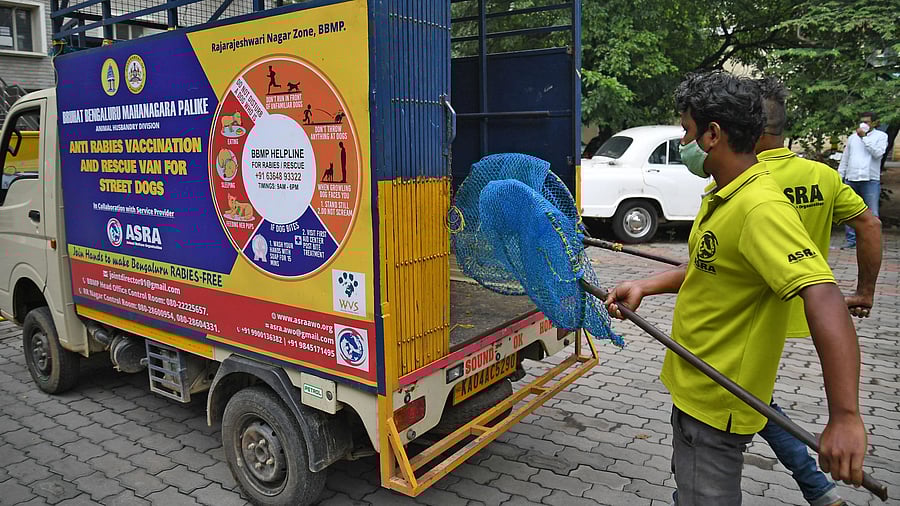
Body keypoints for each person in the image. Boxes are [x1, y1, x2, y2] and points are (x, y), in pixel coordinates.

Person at [604, 71, 867, 506]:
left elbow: (822, 294)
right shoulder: (724, 193)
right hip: (693, 388)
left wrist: (844, 416)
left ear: (713, 134)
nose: (684, 142)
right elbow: (708, 266)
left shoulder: (760, 207)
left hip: (718, 403)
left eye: (686, 131)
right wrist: (644, 286)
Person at [754, 77, 882, 506]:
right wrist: (864, 291)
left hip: (753, 318)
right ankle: (818, 489)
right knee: (755, 399)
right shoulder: (820, 176)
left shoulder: (742, 180)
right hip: (813, 311)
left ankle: (817, 487)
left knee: (751, 403)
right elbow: (870, 225)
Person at [838, 111, 888, 248]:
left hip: (870, 180)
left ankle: (872, 241)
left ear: (875, 123)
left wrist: (864, 138)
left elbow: (878, 154)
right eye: (862, 121)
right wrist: (839, 176)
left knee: (872, 212)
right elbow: (845, 158)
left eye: (867, 122)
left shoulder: (881, 136)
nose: (863, 124)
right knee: (849, 210)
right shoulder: (853, 138)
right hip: (851, 178)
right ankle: (852, 241)